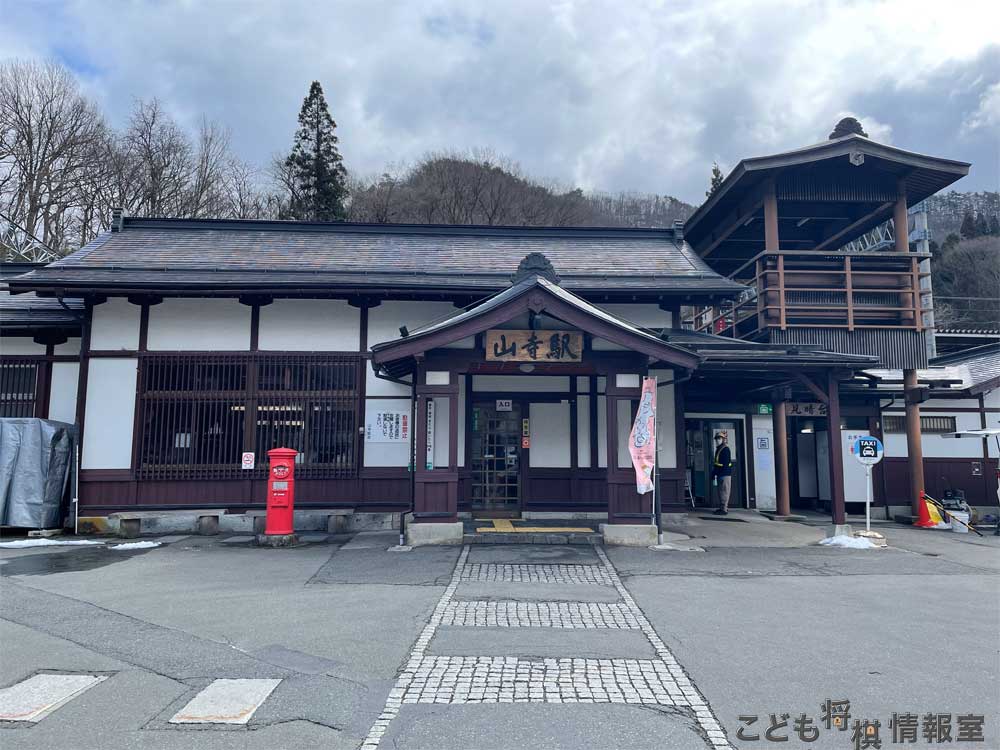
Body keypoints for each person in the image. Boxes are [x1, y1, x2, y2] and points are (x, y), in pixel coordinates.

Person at [712, 431, 733, 515]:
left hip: (724, 474)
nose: (717, 440)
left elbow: (724, 464)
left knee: (724, 492)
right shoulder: (719, 448)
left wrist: (716, 472)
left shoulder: (725, 449)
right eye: (717, 439)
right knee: (721, 492)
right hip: (721, 473)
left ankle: (724, 509)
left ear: (723, 439)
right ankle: (722, 508)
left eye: (719, 438)